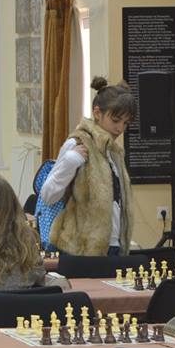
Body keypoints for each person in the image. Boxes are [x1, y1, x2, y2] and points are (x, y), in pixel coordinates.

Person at [41, 77, 135, 256]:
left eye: (125, 123)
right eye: (115, 120)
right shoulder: (77, 143)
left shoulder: (113, 151)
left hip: (112, 248)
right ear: (97, 113)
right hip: (79, 251)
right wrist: (70, 162)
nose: (120, 129)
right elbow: (48, 195)